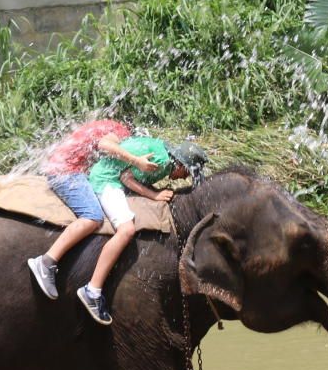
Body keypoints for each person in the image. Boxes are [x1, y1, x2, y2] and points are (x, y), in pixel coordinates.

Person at [77, 138, 207, 325]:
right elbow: (126, 178)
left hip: (113, 176)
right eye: (186, 172)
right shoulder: (162, 163)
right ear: (180, 164)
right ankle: (92, 290)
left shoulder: (164, 154)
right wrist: (154, 195)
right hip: (106, 180)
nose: (184, 178)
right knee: (127, 230)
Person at [27, 120, 160, 300]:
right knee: (92, 217)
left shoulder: (106, 125)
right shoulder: (120, 131)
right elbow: (105, 145)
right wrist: (136, 160)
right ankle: (46, 262)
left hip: (66, 168)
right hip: (66, 172)